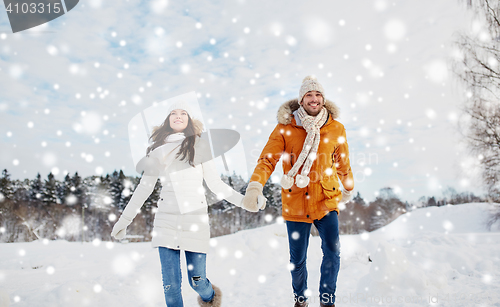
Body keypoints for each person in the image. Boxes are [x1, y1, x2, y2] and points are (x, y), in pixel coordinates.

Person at [111, 101, 261, 307]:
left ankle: (210, 299)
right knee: (171, 286)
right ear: (168, 120)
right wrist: (124, 220)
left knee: (197, 281)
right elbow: (144, 188)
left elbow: (216, 185)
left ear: (190, 120)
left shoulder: (201, 146)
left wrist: (244, 202)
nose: (178, 116)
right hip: (166, 221)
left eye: (183, 113)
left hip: (195, 220)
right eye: (173, 113)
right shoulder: (157, 151)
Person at [242, 76, 354, 307]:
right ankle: (301, 299)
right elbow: (267, 159)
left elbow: (342, 161)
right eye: (309, 95)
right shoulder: (285, 127)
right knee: (297, 260)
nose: (314, 99)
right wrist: (255, 185)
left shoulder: (336, 127)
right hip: (296, 202)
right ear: (301, 100)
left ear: (324, 99)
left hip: (326, 200)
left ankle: (327, 300)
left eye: (318, 95)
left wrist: (347, 185)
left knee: (332, 253)